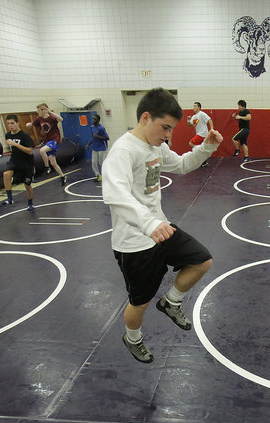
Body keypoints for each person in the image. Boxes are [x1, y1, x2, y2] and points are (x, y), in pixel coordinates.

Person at [102, 88, 223, 364]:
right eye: (165, 127)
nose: (168, 135)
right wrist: (147, 222)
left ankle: (171, 301)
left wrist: (206, 146)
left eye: (171, 129)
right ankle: (132, 339)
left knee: (202, 260)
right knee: (140, 303)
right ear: (146, 117)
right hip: (134, 242)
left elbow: (180, 165)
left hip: (160, 229)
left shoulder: (156, 146)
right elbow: (114, 194)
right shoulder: (123, 151)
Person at [2, 114, 36, 210]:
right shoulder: (8, 135)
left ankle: (30, 203)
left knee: (27, 185)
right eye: (8, 124)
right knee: (6, 175)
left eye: (12, 123)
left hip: (26, 162)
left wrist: (15, 144)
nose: (10, 125)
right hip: (14, 160)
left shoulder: (24, 135)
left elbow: (29, 151)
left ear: (17, 123)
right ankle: (10, 199)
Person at [26, 103, 66, 183]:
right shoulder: (39, 119)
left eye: (39, 110)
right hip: (47, 141)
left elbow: (61, 119)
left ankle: (47, 167)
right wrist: (29, 124)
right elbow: (31, 124)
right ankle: (63, 176)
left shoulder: (52, 117)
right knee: (53, 163)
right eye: (38, 110)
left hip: (54, 139)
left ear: (44, 110)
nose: (38, 112)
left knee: (42, 151)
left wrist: (49, 111)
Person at [187, 102, 214, 168]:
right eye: (193, 106)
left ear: (199, 107)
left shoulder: (201, 114)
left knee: (191, 143)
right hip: (199, 134)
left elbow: (209, 120)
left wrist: (212, 129)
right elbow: (190, 125)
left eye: (195, 106)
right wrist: (188, 120)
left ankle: (200, 153)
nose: (193, 107)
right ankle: (204, 161)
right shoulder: (194, 116)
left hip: (202, 134)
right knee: (200, 147)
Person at [88, 114, 110, 182]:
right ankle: (98, 176)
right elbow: (93, 138)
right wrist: (88, 144)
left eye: (94, 119)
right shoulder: (92, 127)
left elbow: (107, 138)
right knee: (94, 163)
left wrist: (98, 136)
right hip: (94, 147)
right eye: (92, 119)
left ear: (98, 120)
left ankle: (107, 175)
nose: (93, 120)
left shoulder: (101, 128)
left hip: (101, 147)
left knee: (101, 162)